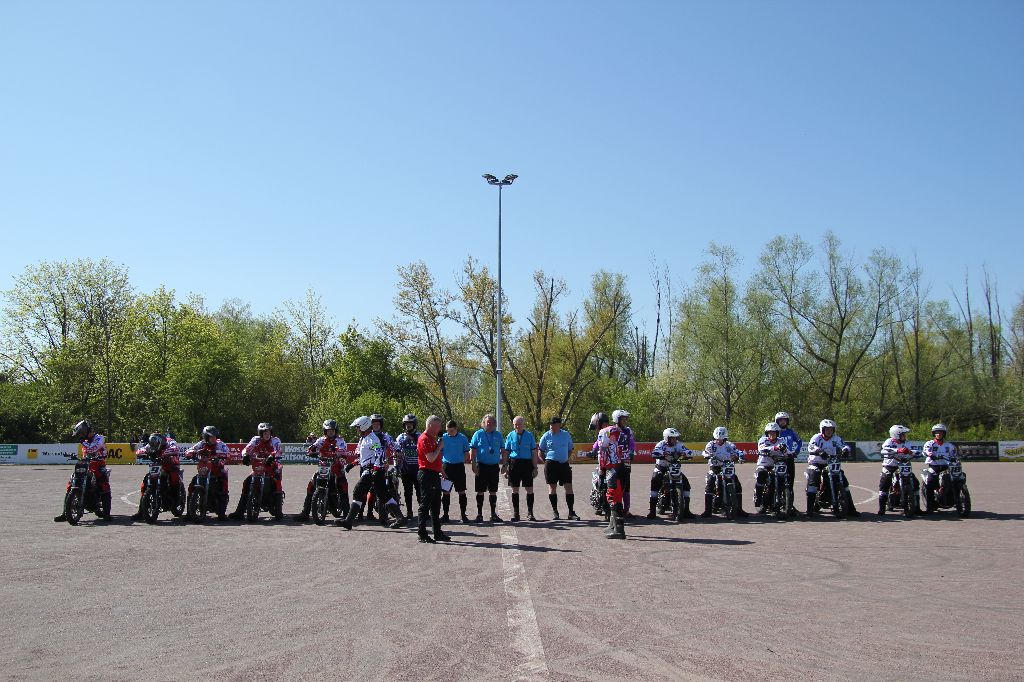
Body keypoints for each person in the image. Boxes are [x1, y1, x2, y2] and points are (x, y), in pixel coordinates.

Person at [337, 416, 404, 530]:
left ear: (363, 427)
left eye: (358, 427)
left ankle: (348, 521)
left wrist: (376, 468)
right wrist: (352, 464)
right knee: (384, 495)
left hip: (372, 470)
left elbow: (379, 453)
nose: (357, 430)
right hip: (373, 470)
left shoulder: (373, 439)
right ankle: (400, 518)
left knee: (358, 492)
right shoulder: (365, 438)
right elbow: (365, 456)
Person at [54, 420, 111, 522]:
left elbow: (92, 448)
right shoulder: (84, 440)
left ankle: (107, 514)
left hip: (98, 464)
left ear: (86, 431)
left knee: (103, 483)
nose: (80, 436)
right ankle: (65, 513)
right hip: (85, 464)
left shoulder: (99, 438)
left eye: (81, 433)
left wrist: (82, 442)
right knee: (71, 482)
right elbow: (86, 453)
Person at [295, 419, 350, 522]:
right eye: (328, 431)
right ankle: (305, 513)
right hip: (323, 466)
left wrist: (339, 454)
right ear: (325, 431)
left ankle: (347, 514)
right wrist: (311, 451)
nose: (330, 432)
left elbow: (343, 451)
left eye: (332, 430)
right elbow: (313, 447)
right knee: (311, 484)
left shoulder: (340, 441)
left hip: (336, 468)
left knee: (342, 485)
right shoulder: (321, 440)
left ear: (335, 431)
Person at [228, 422, 283, 520]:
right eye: (265, 432)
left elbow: (279, 450)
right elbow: (247, 448)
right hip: (259, 466)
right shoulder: (255, 440)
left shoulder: (275, 440)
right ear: (260, 433)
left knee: (277, 480)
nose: (267, 434)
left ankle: (278, 510)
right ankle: (239, 512)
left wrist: (273, 455)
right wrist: (245, 455)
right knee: (247, 481)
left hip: (272, 465)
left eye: (268, 432)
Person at [805, 419, 859, 517]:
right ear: (822, 430)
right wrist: (819, 451)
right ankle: (809, 510)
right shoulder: (816, 437)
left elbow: (844, 445)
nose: (829, 431)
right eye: (827, 429)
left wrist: (846, 450)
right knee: (813, 478)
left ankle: (851, 509)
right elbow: (811, 446)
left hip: (831, 462)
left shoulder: (836, 438)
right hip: (816, 462)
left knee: (843, 479)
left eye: (831, 429)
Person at [130, 432, 183, 520]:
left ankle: (176, 499)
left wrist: (164, 454)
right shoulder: (151, 444)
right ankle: (141, 511)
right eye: (152, 444)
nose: (153, 445)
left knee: (174, 477)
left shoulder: (170, 442)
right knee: (146, 481)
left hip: (171, 464)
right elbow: (140, 450)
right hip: (158, 465)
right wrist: (143, 453)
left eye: (155, 444)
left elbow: (175, 449)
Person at [184, 425, 231, 520]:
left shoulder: (220, 444)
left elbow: (228, 453)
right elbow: (189, 450)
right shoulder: (201, 444)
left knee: (223, 482)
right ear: (206, 437)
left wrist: (220, 455)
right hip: (203, 470)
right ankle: (189, 513)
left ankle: (222, 513)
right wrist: (191, 453)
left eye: (214, 436)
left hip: (217, 470)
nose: (214, 438)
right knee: (192, 484)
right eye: (211, 437)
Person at [648, 427, 695, 521]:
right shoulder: (661, 444)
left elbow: (689, 452)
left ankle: (686, 510)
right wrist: (663, 453)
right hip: (661, 468)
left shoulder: (679, 444)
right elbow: (654, 452)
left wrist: (685, 453)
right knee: (655, 481)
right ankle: (652, 511)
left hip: (674, 468)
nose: (675, 440)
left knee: (686, 484)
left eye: (675, 438)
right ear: (667, 438)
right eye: (672, 438)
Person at [416, 415, 450, 543]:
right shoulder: (424, 439)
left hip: (434, 474)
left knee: (436, 505)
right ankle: (422, 533)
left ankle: (437, 532)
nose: (439, 429)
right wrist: (440, 446)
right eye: (438, 426)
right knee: (425, 505)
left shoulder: (432, 439)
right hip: (426, 474)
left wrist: (442, 472)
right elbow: (430, 458)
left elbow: (435, 460)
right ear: (430, 426)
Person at [701, 427, 749, 517]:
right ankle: (707, 510)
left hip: (727, 467)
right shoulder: (710, 445)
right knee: (710, 482)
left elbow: (737, 451)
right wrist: (707, 455)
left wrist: (741, 456)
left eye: (721, 439)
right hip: (715, 467)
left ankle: (739, 509)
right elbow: (705, 452)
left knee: (737, 484)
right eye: (717, 439)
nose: (718, 441)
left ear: (725, 438)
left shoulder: (730, 445)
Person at [539, 416, 579, 520]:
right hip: (551, 464)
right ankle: (555, 511)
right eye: (550, 424)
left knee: (568, 487)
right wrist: (546, 462)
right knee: (552, 487)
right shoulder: (546, 436)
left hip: (564, 464)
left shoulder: (566, 435)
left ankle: (571, 512)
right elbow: (540, 451)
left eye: (553, 424)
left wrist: (565, 458)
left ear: (559, 425)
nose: (551, 426)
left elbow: (570, 449)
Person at [593, 414, 626, 539]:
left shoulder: (604, 432)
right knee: (617, 496)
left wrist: (601, 470)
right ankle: (613, 526)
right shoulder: (620, 432)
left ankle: (619, 530)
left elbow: (602, 452)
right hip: (622, 467)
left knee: (613, 497)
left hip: (612, 468)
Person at [469, 414, 505, 522]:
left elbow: (503, 451)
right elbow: (472, 451)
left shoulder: (498, 435)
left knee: (493, 491)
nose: (489, 423)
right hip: (481, 466)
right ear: (483, 423)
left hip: (494, 467)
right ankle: (479, 514)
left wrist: (505, 465)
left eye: (491, 422)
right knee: (480, 491)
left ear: (494, 424)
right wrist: (473, 465)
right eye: (487, 422)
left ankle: (493, 514)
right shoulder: (478, 434)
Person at [503, 416, 540, 521]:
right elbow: (506, 452)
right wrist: (505, 467)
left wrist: (535, 468)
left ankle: (530, 513)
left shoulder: (529, 435)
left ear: (523, 424)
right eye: (515, 424)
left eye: (519, 424)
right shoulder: (510, 435)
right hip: (514, 464)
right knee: (515, 489)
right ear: (513, 425)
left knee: (529, 489)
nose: (517, 426)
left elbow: (534, 452)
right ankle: (516, 514)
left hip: (527, 464)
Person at [878, 424, 919, 515]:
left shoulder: (907, 443)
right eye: (903, 434)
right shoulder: (889, 441)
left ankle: (917, 507)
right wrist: (898, 450)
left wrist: (912, 452)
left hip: (904, 465)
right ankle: (882, 508)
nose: (905, 436)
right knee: (884, 483)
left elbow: (915, 451)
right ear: (896, 435)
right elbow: (884, 450)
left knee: (915, 482)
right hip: (890, 466)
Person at [363, 414, 396, 521]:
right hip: (370, 465)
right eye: (374, 424)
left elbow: (393, 445)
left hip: (383, 464)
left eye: (378, 424)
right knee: (369, 489)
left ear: (381, 425)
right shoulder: (367, 436)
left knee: (389, 483)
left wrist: (398, 451)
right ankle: (368, 513)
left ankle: (394, 506)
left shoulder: (386, 437)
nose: (376, 426)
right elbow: (359, 449)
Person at [922, 423, 958, 513]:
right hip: (934, 466)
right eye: (936, 432)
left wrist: (955, 458)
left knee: (955, 480)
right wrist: (930, 454)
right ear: (934, 434)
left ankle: (956, 499)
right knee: (930, 482)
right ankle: (930, 506)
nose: (938, 434)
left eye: (941, 432)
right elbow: (925, 451)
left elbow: (954, 454)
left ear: (944, 433)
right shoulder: (930, 443)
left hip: (946, 467)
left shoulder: (949, 445)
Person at [440, 420, 471, 523]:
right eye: (447, 430)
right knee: (446, 492)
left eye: (451, 431)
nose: (449, 433)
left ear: (456, 429)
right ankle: (445, 515)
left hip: (459, 468)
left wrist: (460, 460)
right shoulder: (443, 438)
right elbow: (439, 453)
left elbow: (467, 453)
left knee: (461, 491)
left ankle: (463, 515)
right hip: (447, 467)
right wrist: (441, 468)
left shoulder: (463, 438)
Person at [754, 423, 788, 512]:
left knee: (782, 478)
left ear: (777, 433)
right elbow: (761, 448)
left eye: (774, 433)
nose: (771, 434)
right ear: (767, 433)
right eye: (770, 433)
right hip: (764, 464)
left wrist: (789, 453)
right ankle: (758, 497)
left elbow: (786, 451)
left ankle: (786, 501)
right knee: (761, 474)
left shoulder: (782, 440)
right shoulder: (763, 440)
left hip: (777, 464)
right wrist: (776, 448)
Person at [395, 414, 422, 525]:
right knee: (407, 492)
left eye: (410, 423)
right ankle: (409, 511)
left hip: (418, 469)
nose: (408, 426)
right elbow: (396, 453)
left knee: (420, 491)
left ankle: (422, 512)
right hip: (405, 469)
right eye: (406, 424)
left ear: (414, 424)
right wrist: (397, 467)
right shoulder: (400, 437)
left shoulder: (420, 436)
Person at [774, 411, 802, 514]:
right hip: (776, 459)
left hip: (788, 458)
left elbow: (799, 441)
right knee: (775, 481)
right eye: (780, 420)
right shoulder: (774, 432)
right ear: (777, 421)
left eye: (784, 420)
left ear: (787, 421)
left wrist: (796, 451)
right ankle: (774, 502)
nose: (782, 422)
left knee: (790, 483)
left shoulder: (791, 432)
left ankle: (790, 504)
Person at [612, 409, 636, 516]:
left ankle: (626, 510)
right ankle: (614, 508)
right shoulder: (610, 430)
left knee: (626, 485)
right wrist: (595, 449)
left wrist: (631, 452)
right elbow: (601, 441)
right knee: (614, 485)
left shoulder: (628, 431)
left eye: (625, 419)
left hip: (626, 461)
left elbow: (632, 444)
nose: (625, 421)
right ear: (616, 419)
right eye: (622, 419)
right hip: (614, 461)